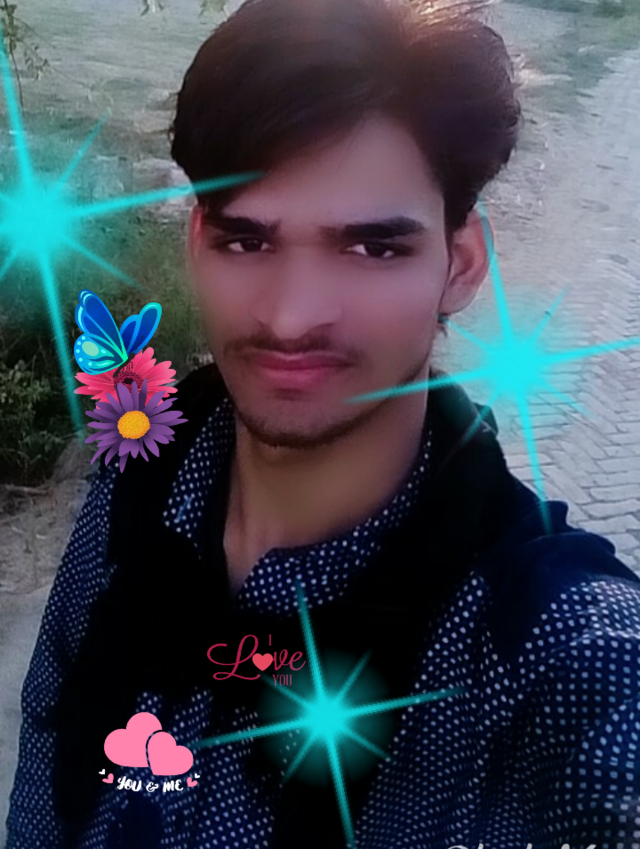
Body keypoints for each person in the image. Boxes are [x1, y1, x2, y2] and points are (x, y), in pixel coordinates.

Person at [6, 0, 640, 846]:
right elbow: (48, 754)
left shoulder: (549, 649)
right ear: (196, 242)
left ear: (459, 265)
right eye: (246, 241)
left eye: (372, 248)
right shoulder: (141, 476)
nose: (292, 315)